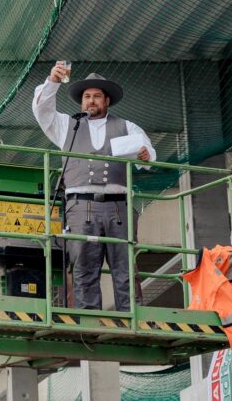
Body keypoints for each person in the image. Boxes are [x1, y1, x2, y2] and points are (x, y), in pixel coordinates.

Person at [32, 63, 156, 312]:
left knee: (125, 270)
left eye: (97, 96)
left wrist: (145, 156)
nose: (91, 101)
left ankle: (132, 320)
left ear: (107, 100)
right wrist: (53, 81)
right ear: (81, 101)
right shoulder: (67, 125)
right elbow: (42, 110)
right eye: (87, 96)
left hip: (118, 207)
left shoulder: (126, 126)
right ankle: (88, 323)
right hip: (80, 206)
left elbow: (148, 153)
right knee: (84, 268)